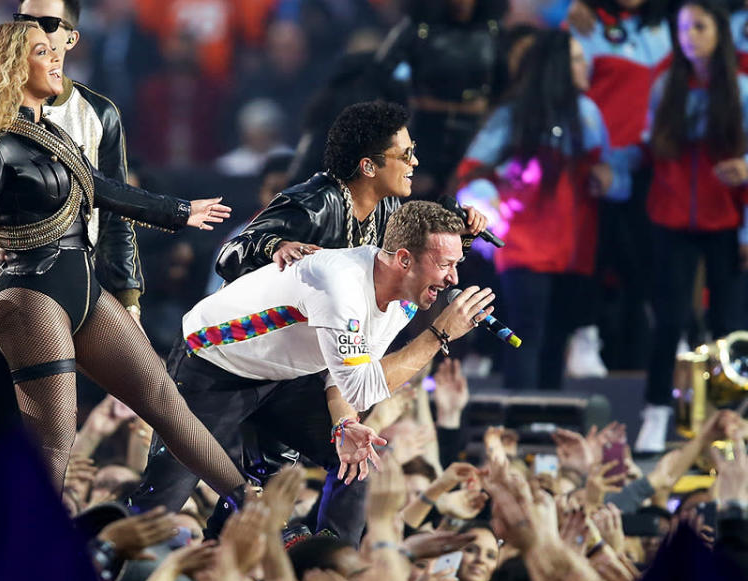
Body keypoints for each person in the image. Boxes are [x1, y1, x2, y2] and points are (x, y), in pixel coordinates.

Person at [0, 22, 249, 505]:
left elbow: (104, 189)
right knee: (53, 447)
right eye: (43, 52)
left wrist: (180, 211)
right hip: (28, 297)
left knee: (168, 405)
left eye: (56, 50)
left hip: (82, 287)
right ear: (12, 70)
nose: (57, 59)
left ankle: (252, 504)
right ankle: (23, 560)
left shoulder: (54, 135)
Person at [130, 200, 497, 544]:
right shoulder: (341, 286)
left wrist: (342, 426)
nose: (453, 279)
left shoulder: (403, 302)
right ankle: (105, 573)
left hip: (284, 375)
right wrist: (440, 334)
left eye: (455, 265)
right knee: (161, 504)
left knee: (357, 461)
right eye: (445, 264)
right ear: (403, 259)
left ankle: (327, 567)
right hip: (211, 364)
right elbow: (364, 387)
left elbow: (342, 378)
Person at [456, 29, 615, 391]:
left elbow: (610, 172)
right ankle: (521, 422)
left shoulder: (587, 113)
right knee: (527, 332)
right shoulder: (514, 115)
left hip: (570, 248)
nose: (585, 65)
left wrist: (606, 175)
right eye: (575, 58)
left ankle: (546, 422)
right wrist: (488, 198)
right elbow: (473, 169)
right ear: (557, 65)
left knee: (556, 334)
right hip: (523, 245)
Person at [636, 0, 748, 452]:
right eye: (682, 29)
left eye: (699, 27)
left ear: (719, 32)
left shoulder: (740, 90)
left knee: (728, 318)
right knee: (670, 317)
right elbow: (649, 143)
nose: (689, 37)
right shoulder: (666, 86)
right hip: (671, 215)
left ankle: (730, 415)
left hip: (726, 218)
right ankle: (656, 409)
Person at [217, 100, 488, 283]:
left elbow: (414, 273)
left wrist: (460, 237)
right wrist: (278, 245)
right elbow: (229, 254)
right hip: (245, 354)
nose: (414, 162)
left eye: (413, 151)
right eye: (405, 155)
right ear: (368, 166)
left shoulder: (387, 208)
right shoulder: (312, 206)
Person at [16, 0, 145, 322]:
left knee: (155, 380)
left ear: (72, 39)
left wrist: (128, 296)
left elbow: (117, 210)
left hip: (78, 286)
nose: (33, 32)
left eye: (47, 23)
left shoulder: (100, 113)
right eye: (24, 21)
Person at [567, 0, 673, 374]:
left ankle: (662, 346)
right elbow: (568, 88)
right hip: (598, 165)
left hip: (655, 163)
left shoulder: (676, 24)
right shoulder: (585, 23)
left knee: (649, 258)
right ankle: (584, 337)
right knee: (593, 251)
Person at [375, 0, 510, 198]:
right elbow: (380, 75)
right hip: (424, 134)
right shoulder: (418, 30)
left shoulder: (492, 32)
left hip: (474, 137)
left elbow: (506, 87)